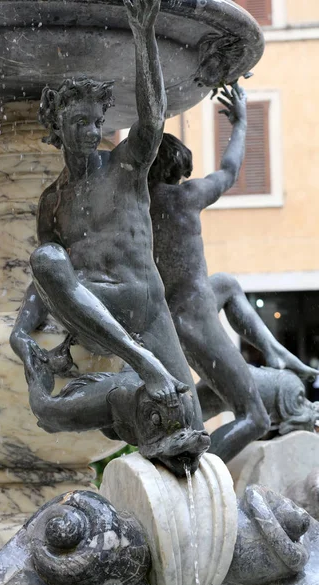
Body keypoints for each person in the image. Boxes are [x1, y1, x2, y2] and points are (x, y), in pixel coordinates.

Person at [10, 0, 207, 457]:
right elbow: (46, 282)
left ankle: (131, 388)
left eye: (97, 122)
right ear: (56, 125)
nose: (89, 131)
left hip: (146, 306)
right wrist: (22, 333)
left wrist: (144, 35)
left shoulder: (124, 166)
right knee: (46, 258)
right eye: (79, 122)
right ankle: (141, 369)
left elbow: (154, 117)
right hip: (102, 311)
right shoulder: (51, 201)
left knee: (190, 430)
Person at [149, 83, 272, 463]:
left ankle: (178, 430)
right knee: (256, 417)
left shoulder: (136, 205)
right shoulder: (187, 196)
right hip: (198, 317)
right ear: (179, 168)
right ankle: (194, 471)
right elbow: (231, 170)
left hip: (171, 320)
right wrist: (241, 123)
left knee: (227, 284)